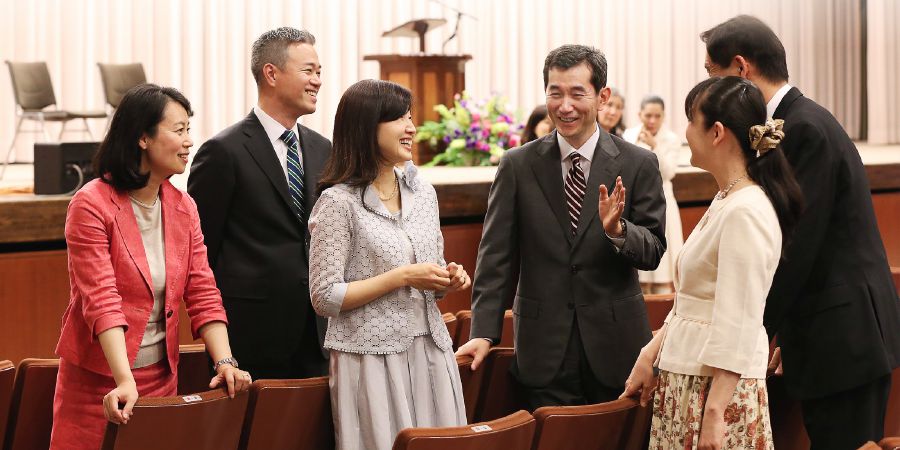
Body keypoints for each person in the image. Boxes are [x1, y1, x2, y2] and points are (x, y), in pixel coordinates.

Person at [701, 15, 900, 448]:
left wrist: (748, 340)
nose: (709, 91)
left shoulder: (803, 128)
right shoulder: (797, 122)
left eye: (711, 75)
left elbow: (794, 245)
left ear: (740, 69)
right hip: (832, 330)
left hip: (844, 334)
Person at [456, 44, 667, 409]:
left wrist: (619, 231)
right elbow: (496, 257)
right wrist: (484, 333)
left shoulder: (638, 163)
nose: (564, 105)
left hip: (617, 347)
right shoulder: (518, 165)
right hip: (542, 347)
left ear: (602, 97)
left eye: (576, 93)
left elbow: (653, 251)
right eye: (555, 93)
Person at [50, 84, 252, 450]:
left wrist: (224, 360)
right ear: (142, 137)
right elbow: (100, 301)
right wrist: (124, 380)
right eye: (179, 130)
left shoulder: (183, 206)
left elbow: (203, 290)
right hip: (99, 384)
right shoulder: (91, 203)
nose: (189, 141)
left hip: (161, 379)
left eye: (189, 129)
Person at [622, 76, 803, 449]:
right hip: (690, 377)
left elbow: (741, 317)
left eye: (691, 121)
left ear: (716, 132)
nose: (685, 132)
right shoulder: (727, 197)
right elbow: (694, 299)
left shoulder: (746, 209)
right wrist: (651, 352)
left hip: (713, 389)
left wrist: (716, 411)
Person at [309, 79, 469, 450]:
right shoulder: (337, 202)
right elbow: (324, 296)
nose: (411, 127)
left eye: (410, 117)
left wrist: (447, 278)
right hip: (370, 358)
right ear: (366, 127)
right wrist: (401, 277)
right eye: (399, 118)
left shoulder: (423, 192)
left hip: (431, 348)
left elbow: (430, 269)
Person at [188, 27, 332, 379]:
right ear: (271, 73)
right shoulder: (224, 151)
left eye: (319, 73)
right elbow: (201, 252)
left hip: (319, 332)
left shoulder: (323, 149)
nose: (317, 81)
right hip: (251, 335)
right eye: (308, 71)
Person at [622, 95, 684, 293]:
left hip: (665, 200)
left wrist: (655, 146)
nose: (652, 120)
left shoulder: (671, 139)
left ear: (663, 116)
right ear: (639, 114)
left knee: (665, 259)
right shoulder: (629, 136)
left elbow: (668, 173)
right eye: (648, 115)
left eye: (657, 116)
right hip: (638, 201)